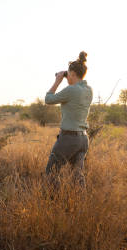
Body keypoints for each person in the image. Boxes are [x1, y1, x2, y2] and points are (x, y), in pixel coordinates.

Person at [44, 51, 93, 186]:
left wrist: (57, 80)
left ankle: (54, 202)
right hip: (83, 140)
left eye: (68, 74)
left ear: (71, 74)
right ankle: (80, 204)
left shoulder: (71, 90)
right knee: (77, 176)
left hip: (68, 139)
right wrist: (68, 76)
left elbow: (48, 99)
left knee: (51, 172)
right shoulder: (88, 89)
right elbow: (75, 87)